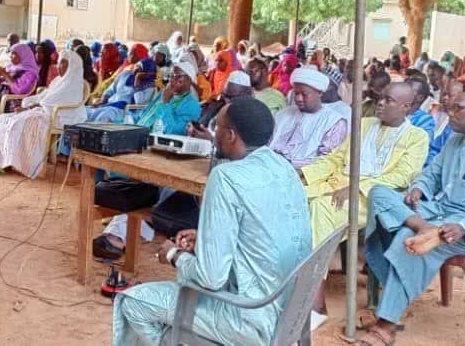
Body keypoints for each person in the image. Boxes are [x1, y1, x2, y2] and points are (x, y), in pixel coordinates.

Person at [113, 97, 311, 346]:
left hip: (248, 318)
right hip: (290, 310)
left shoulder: (226, 177)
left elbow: (211, 278)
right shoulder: (285, 168)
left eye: (217, 127)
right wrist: (207, 238)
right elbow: (264, 236)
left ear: (230, 135)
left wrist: (174, 255)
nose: (213, 133)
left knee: (132, 303)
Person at [357, 91, 465, 346]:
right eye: (449, 107)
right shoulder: (454, 141)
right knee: (379, 193)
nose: (450, 113)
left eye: (458, 108)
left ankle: (386, 324)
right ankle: (424, 229)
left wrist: (464, 226)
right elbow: (431, 173)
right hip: (437, 214)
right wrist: (419, 188)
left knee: (405, 239)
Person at [301, 83, 428, 327]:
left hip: (372, 198)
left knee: (321, 209)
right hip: (335, 185)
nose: (380, 103)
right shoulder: (364, 124)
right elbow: (336, 158)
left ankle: (316, 303)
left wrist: (356, 186)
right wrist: (304, 175)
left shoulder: (417, 138)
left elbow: (402, 176)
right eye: (381, 98)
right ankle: (289, 287)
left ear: (407, 107)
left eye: (388, 100)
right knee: (291, 202)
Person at [92, 62, 204, 257]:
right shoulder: (162, 94)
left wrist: (166, 104)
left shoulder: (191, 105)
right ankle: (117, 224)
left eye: (181, 77)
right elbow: (144, 118)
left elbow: (171, 132)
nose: (174, 80)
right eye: (173, 75)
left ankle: (117, 235)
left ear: (190, 81)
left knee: (148, 194)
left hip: (165, 158)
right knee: (103, 155)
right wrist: (122, 127)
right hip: (142, 145)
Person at [0, 50, 88, 179]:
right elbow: (44, 97)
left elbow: (53, 103)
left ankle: (11, 163)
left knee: (18, 122)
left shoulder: (74, 83)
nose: (59, 67)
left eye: (63, 64)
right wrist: (29, 104)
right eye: (59, 63)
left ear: (72, 65)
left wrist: (29, 108)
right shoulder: (58, 81)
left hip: (59, 116)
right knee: (2, 119)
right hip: (45, 111)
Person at [269, 68, 348, 169]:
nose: (298, 98)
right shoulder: (283, 115)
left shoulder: (334, 122)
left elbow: (327, 162)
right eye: (296, 93)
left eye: (304, 94)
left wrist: (290, 163)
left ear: (319, 93)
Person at [87, 56, 157, 123]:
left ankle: (97, 134)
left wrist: (137, 81)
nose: (136, 68)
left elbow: (139, 102)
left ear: (146, 71)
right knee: (87, 112)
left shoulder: (149, 86)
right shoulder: (125, 74)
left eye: (140, 67)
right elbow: (111, 89)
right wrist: (103, 100)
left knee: (105, 115)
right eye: (137, 65)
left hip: (126, 111)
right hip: (110, 104)